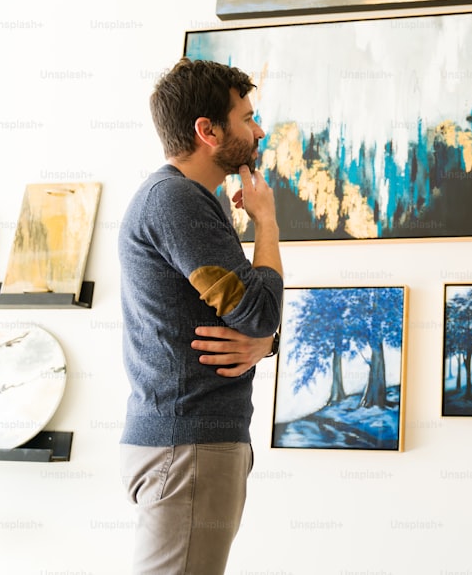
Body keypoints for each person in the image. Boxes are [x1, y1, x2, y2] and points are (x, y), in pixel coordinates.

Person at [118, 57, 284, 574]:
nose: (258, 130)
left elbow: (248, 323)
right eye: (247, 117)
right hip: (188, 444)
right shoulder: (176, 201)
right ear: (207, 130)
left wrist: (266, 343)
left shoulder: (186, 200)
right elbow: (259, 313)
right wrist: (268, 223)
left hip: (190, 442)